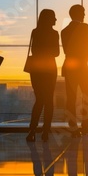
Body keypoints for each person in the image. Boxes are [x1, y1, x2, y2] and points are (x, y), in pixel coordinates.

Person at [61, 4, 88, 137]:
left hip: (70, 68)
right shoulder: (84, 27)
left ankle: (73, 128)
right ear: (78, 14)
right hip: (84, 69)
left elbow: (66, 50)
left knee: (71, 98)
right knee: (87, 98)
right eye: (83, 12)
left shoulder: (64, 31)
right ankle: (86, 127)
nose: (84, 15)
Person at [26, 9, 60, 142]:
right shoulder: (54, 33)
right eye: (54, 17)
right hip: (50, 69)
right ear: (49, 18)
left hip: (36, 70)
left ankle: (32, 130)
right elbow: (56, 53)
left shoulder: (35, 32)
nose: (56, 20)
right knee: (49, 101)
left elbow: (34, 50)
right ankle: (46, 131)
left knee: (39, 99)